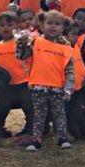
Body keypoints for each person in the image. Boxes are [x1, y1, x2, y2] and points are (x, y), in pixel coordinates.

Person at [16, 10, 74, 151]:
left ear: (63, 27)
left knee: (59, 114)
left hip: (57, 87)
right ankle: (36, 140)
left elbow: (70, 68)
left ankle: (62, 138)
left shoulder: (66, 46)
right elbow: (22, 55)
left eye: (57, 24)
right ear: (41, 25)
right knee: (39, 115)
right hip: (38, 87)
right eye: (49, 23)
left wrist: (68, 86)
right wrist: (21, 42)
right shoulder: (35, 42)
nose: (53, 26)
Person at [0, 11, 34, 141]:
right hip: (6, 85)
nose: (6, 27)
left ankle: (31, 132)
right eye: (2, 25)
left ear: (16, 26)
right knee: (1, 109)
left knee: (29, 109)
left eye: (9, 24)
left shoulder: (20, 42)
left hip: (23, 82)